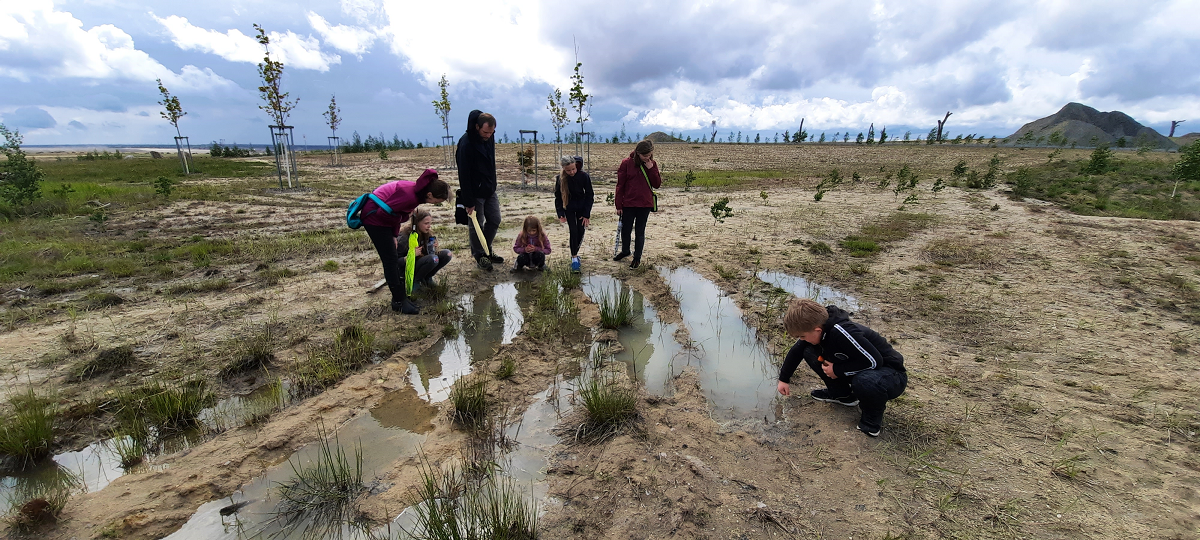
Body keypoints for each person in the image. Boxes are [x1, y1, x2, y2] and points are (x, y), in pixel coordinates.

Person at [776, 298, 907, 437]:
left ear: (818, 330)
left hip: (890, 375)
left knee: (864, 381)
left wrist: (837, 370)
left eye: (802, 336)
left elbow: (874, 362)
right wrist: (783, 379)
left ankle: (871, 423)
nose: (801, 339)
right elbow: (796, 351)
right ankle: (843, 396)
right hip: (862, 366)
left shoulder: (842, 332)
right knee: (808, 351)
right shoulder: (819, 328)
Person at [360, 169, 450, 314]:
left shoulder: (415, 193)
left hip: (381, 218)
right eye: (436, 201)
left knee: (391, 257)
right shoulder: (410, 197)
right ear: (429, 195)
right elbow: (385, 213)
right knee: (390, 260)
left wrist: (394, 235)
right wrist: (403, 219)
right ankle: (398, 301)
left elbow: (393, 212)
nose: (435, 204)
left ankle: (401, 297)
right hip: (373, 218)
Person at [456, 109, 502, 272]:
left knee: (495, 220)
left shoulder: (489, 138)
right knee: (476, 225)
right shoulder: (466, 143)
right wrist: (468, 201)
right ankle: (480, 255)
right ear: (477, 127)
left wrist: (493, 184)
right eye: (485, 132)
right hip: (474, 193)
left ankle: (487, 250)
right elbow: (464, 173)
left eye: (491, 132)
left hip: (489, 190)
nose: (489, 135)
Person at [613, 139, 662, 269]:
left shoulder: (652, 164)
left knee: (640, 232)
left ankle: (637, 258)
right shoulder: (626, 163)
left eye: (650, 155)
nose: (648, 158)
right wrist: (618, 205)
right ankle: (625, 251)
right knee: (626, 229)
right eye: (645, 155)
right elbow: (620, 185)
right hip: (628, 203)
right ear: (637, 153)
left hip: (645, 204)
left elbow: (657, 184)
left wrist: (651, 169)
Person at [397, 208, 453, 292]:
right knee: (433, 259)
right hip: (407, 269)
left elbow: (429, 253)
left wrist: (434, 247)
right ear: (417, 223)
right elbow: (395, 262)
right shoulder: (404, 237)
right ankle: (415, 281)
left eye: (430, 223)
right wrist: (410, 255)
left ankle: (427, 278)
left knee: (447, 254)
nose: (429, 226)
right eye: (426, 223)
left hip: (421, 262)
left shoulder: (427, 233)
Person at [554, 155, 594, 273]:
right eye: (568, 170)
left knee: (581, 231)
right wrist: (560, 213)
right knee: (574, 231)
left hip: (582, 209)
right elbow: (558, 197)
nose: (571, 172)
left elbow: (590, 195)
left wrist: (587, 213)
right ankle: (574, 258)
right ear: (563, 169)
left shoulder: (584, 176)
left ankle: (575, 254)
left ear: (576, 166)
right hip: (569, 208)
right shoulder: (560, 179)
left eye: (573, 169)